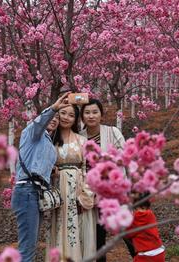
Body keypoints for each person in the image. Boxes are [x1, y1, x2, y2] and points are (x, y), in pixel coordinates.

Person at [11, 92, 70, 262]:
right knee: (27, 249)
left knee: (31, 244)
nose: (54, 119)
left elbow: (36, 163)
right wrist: (53, 108)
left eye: (57, 118)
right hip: (27, 191)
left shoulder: (47, 143)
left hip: (35, 192)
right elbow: (40, 122)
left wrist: (51, 171)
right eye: (53, 116)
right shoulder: (32, 131)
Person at [47, 104, 96, 261]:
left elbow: (88, 168)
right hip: (57, 191)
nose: (66, 117)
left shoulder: (82, 140)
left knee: (77, 229)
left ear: (75, 119)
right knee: (58, 227)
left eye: (71, 115)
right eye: (63, 113)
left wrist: (86, 195)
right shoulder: (48, 140)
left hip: (77, 190)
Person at [79, 98, 126, 261]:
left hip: (112, 190)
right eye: (87, 112)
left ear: (101, 114)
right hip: (91, 192)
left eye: (94, 112)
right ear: (82, 116)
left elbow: (124, 156)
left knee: (125, 229)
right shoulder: (80, 137)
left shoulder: (112, 132)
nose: (91, 116)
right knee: (98, 236)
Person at [125, 197, 165, 262]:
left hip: (145, 255)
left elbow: (127, 234)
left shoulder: (137, 217)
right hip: (159, 252)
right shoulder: (151, 214)